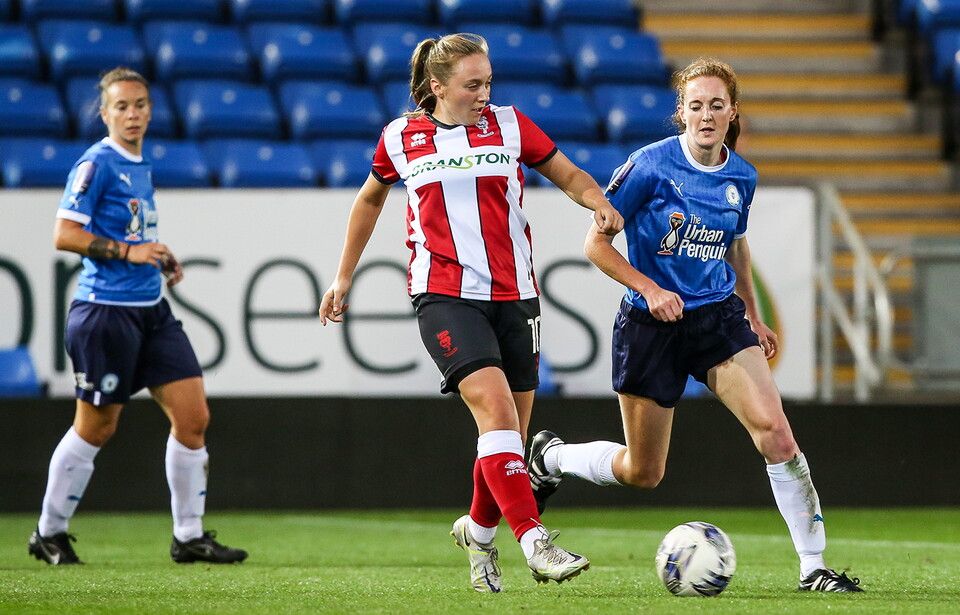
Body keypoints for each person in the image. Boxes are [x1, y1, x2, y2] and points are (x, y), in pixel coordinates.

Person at [527, 57, 864, 593]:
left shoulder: (741, 176)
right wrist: (651, 289)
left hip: (717, 320)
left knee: (776, 433)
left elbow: (736, 245)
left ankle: (813, 566)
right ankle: (551, 457)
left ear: (732, 113)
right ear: (680, 112)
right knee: (645, 472)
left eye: (717, 105)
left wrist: (752, 313)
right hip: (650, 325)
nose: (706, 115)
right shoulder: (649, 166)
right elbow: (595, 245)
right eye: (696, 105)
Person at [318, 33, 623, 593]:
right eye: (473, 83)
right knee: (496, 409)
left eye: (488, 81)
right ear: (437, 87)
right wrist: (344, 274)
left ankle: (479, 533)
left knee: (506, 432)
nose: (485, 92)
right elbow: (369, 198)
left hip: (516, 294)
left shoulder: (509, 124)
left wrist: (598, 202)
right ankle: (535, 542)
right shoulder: (401, 137)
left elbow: (569, 174)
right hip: (443, 294)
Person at [29, 67, 247, 566]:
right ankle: (49, 531)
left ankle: (189, 536)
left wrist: (156, 255)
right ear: (104, 113)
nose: (133, 114)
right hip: (105, 313)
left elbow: (130, 233)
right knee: (97, 427)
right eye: (122, 106)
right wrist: (128, 253)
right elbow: (64, 234)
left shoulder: (138, 164)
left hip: (152, 311)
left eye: (141, 104)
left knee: (193, 419)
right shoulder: (96, 163)